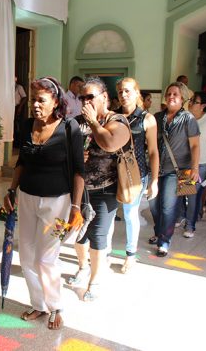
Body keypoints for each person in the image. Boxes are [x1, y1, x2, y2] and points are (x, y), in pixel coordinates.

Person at [4, 77, 84, 329]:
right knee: (27, 255)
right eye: (34, 100)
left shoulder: (70, 128)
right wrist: (11, 190)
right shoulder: (27, 125)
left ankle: (56, 305)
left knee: (46, 257)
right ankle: (38, 304)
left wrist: (76, 206)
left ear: (56, 102)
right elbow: (21, 163)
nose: (35, 105)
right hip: (27, 198)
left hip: (58, 202)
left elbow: (79, 171)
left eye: (42, 100)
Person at [67, 77, 129, 300]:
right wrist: (74, 158)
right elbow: (62, 151)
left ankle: (94, 280)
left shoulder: (118, 120)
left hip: (106, 189)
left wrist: (94, 122)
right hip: (80, 189)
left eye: (90, 97)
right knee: (78, 234)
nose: (85, 101)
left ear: (104, 97)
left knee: (98, 235)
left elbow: (110, 143)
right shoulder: (76, 122)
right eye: (82, 97)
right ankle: (83, 267)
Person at [148, 82, 200, 256]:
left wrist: (194, 167)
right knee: (154, 205)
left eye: (175, 94)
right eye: (169, 93)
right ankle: (159, 231)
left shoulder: (188, 119)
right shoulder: (157, 117)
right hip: (156, 169)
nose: (171, 96)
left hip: (178, 170)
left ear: (182, 98)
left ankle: (164, 241)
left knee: (168, 208)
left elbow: (194, 146)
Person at [114, 78, 159, 273]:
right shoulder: (113, 117)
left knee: (130, 215)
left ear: (137, 93)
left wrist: (154, 180)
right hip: (112, 172)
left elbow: (153, 152)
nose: (123, 95)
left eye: (128, 91)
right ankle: (102, 251)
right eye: (120, 92)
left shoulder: (146, 119)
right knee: (108, 214)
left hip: (135, 174)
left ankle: (130, 255)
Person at [181, 91, 206, 237]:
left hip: (202, 163)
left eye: (194, 101)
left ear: (203, 106)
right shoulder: (186, 118)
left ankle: (190, 225)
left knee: (193, 195)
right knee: (184, 193)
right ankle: (184, 217)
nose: (190, 104)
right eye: (190, 100)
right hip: (186, 162)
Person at [13, 76, 27, 146]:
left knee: (17, 124)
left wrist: (20, 108)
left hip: (17, 107)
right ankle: (14, 141)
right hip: (10, 108)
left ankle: (18, 142)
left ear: (16, 79)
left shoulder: (19, 87)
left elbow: (24, 97)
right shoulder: (8, 87)